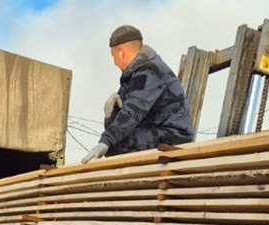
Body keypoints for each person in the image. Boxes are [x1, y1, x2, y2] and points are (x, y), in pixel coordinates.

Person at [81, 25, 193, 164]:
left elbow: (132, 113)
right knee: (115, 143)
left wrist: (105, 142)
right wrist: (110, 113)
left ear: (121, 52)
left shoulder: (150, 71)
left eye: (113, 56)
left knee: (116, 144)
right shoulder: (134, 75)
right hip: (153, 131)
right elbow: (120, 123)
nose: (114, 63)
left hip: (173, 136)